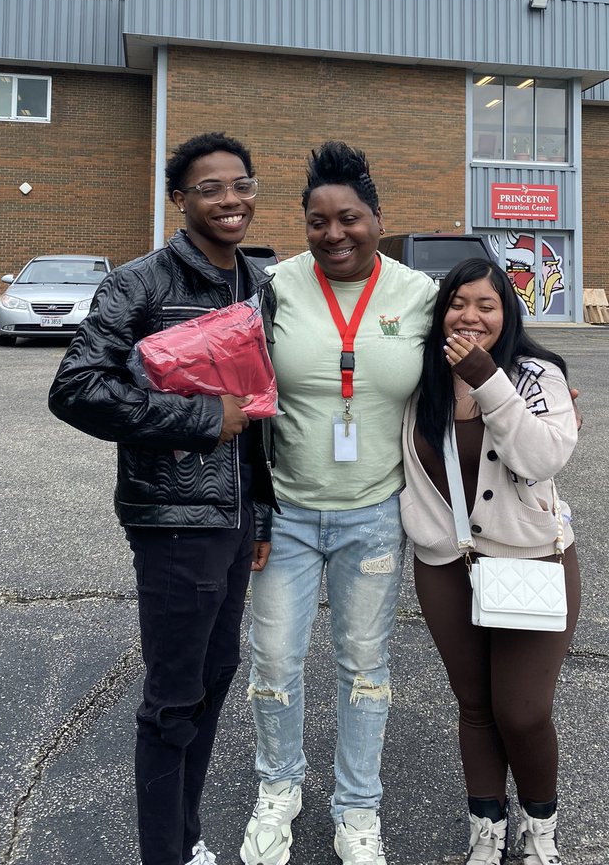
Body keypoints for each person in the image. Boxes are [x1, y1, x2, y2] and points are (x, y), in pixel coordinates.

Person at [48, 132, 278, 865]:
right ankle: (164, 855)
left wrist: (262, 511)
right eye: (209, 188)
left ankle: (185, 840)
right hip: (175, 521)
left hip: (237, 519)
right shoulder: (138, 285)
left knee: (214, 682)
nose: (229, 200)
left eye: (239, 184)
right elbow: (76, 388)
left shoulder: (255, 284)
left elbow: (264, 411)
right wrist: (204, 418)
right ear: (180, 199)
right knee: (173, 699)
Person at [239, 141, 437, 865]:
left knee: (365, 668)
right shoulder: (272, 287)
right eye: (317, 221)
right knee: (275, 662)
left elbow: (486, 348)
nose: (333, 234)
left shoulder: (417, 294)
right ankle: (278, 790)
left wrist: (542, 384)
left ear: (378, 219)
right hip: (285, 515)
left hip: (374, 514)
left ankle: (357, 811)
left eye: (348, 217)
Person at [400, 258, 580, 865]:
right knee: (475, 707)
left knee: (522, 711)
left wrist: (485, 378)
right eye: (458, 302)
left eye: (487, 305)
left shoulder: (537, 374)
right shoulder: (416, 378)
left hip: (531, 557)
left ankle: (540, 830)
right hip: (445, 564)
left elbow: (541, 457)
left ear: (509, 313)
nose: (470, 316)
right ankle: (486, 828)